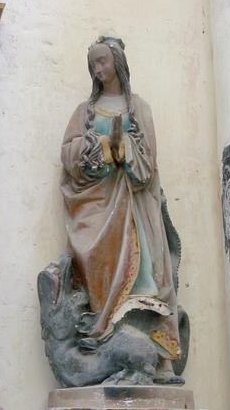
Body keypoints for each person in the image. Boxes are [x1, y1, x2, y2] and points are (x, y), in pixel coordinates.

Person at [60, 36, 182, 383]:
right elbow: (68, 153)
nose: (99, 70)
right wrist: (97, 146)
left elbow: (149, 161)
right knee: (99, 272)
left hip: (135, 203)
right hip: (97, 205)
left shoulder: (138, 107)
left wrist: (124, 145)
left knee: (149, 277)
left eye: (102, 61)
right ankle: (104, 350)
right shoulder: (84, 112)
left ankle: (160, 359)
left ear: (117, 62)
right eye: (93, 65)